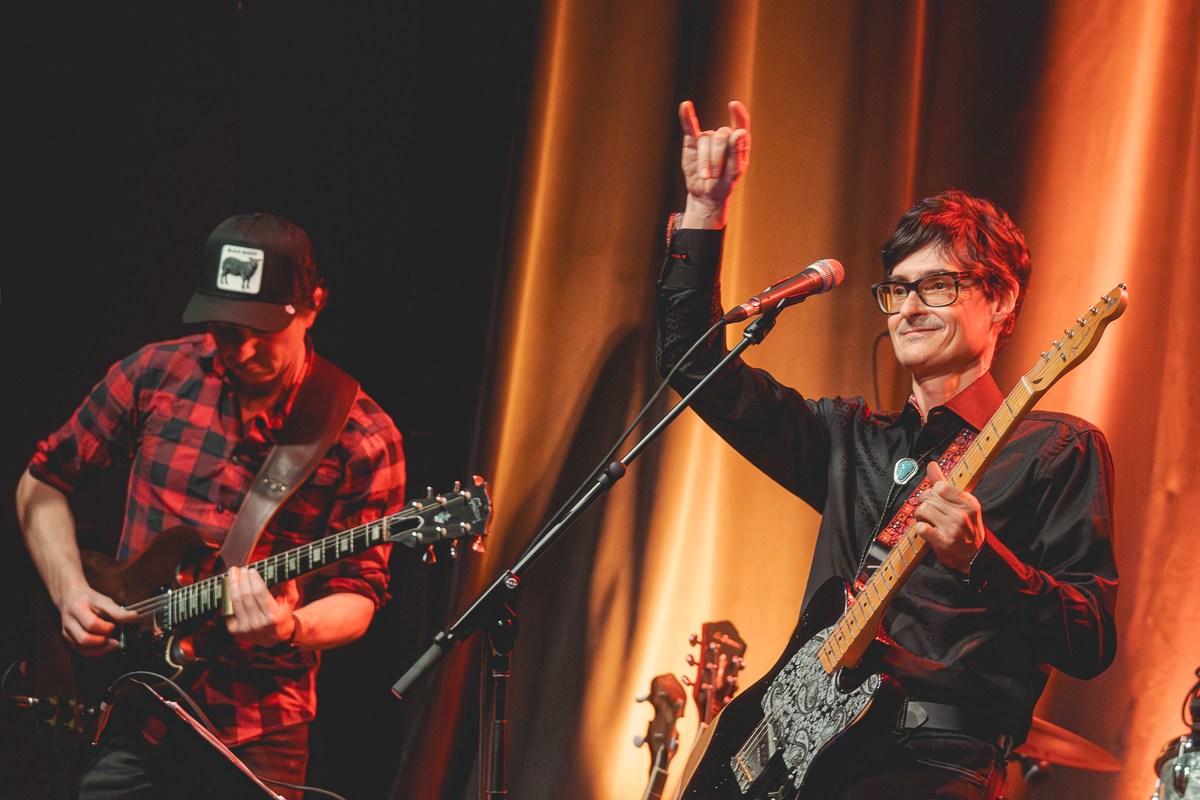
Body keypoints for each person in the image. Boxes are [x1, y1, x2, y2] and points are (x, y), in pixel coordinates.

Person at [656, 101, 1117, 799]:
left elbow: (1089, 638)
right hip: (798, 755)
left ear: (1001, 302)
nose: (908, 308)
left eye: (937, 285)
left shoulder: (1056, 448)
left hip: (935, 765)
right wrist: (701, 211)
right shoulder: (849, 438)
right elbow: (696, 371)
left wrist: (982, 561)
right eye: (897, 290)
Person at [16, 213, 406, 799]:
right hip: (124, 712)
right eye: (225, 327)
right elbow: (41, 481)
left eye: (264, 328)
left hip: (256, 727)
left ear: (314, 305)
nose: (241, 349)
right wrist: (69, 590)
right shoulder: (156, 374)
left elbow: (361, 592)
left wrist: (290, 627)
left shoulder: (364, 437)